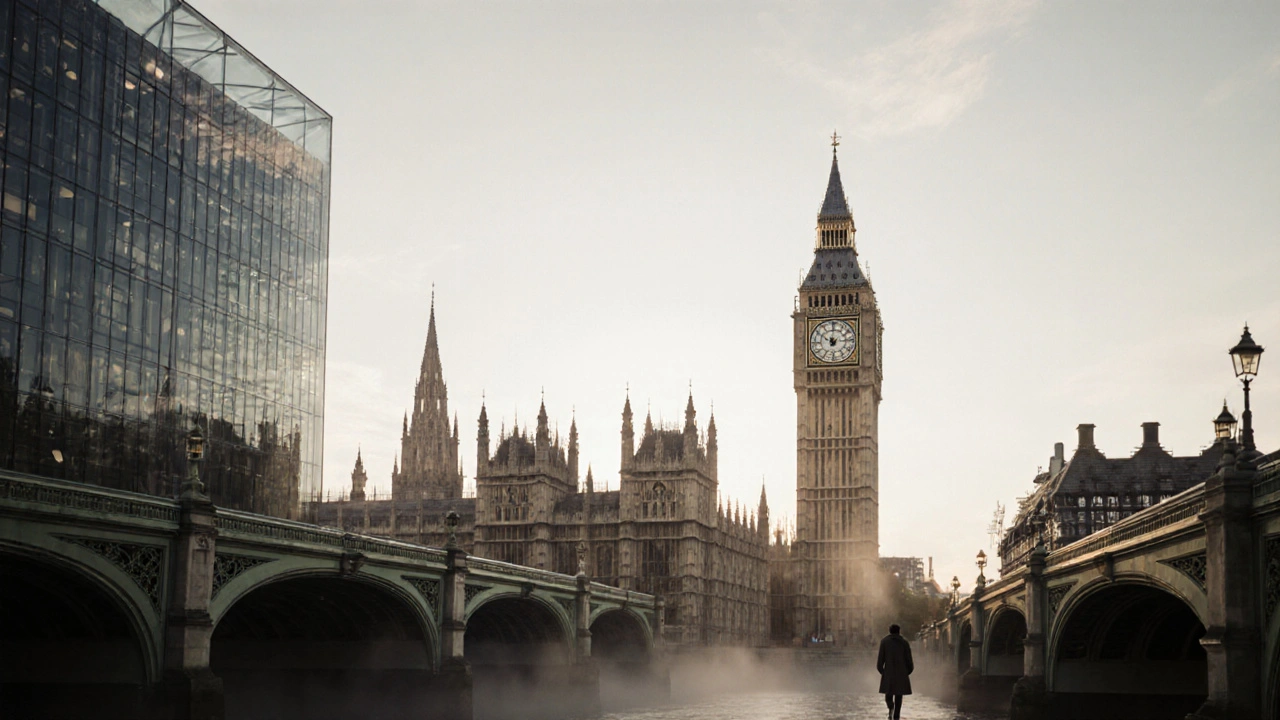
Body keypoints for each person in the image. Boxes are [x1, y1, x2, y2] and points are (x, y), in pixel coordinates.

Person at [876, 624, 913, 720]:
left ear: (890, 631)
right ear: (899, 631)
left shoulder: (884, 642)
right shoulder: (904, 643)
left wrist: (884, 673)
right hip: (901, 674)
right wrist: (906, 672)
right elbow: (909, 661)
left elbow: (880, 662)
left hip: (888, 673)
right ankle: (897, 716)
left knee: (888, 695)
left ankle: (891, 708)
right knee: (899, 697)